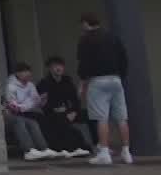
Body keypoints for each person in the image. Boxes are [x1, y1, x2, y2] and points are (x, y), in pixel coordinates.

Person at [77, 13, 134, 166]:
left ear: (85, 23)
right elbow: (124, 58)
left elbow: (84, 63)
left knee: (101, 118)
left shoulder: (86, 40)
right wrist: (120, 76)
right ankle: (126, 152)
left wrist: (82, 83)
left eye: (82, 25)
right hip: (116, 79)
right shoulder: (113, 37)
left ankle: (104, 152)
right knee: (122, 117)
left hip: (97, 80)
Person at [38, 57, 92, 157]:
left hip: (69, 111)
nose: (58, 68)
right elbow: (42, 103)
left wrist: (74, 111)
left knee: (90, 115)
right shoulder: (44, 83)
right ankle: (73, 147)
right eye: (55, 66)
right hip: (52, 113)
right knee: (59, 119)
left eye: (60, 66)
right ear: (50, 68)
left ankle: (95, 144)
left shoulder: (67, 82)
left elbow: (75, 100)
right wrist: (56, 109)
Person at [3, 61, 55, 160]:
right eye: (25, 72)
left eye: (29, 72)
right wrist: (29, 103)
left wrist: (41, 100)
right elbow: (14, 106)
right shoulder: (11, 86)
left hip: (25, 114)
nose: (28, 74)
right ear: (17, 74)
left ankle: (44, 149)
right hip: (12, 115)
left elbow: (36, 101)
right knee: (20, 121)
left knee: (33, 122)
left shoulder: (30, 85)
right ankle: (28, 150)